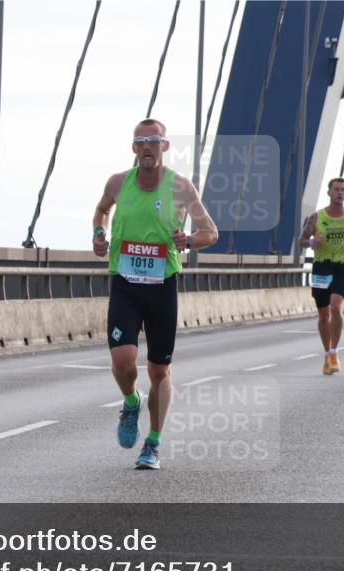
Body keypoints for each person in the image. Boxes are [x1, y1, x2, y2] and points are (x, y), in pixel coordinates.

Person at [92, 119, 218, 469]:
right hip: (125, 283)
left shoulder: (179, 186)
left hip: (162, 286)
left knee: (159, 371)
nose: (147, 147)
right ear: (134, 148)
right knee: (123, 360)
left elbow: (211, 231)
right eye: (141, 141)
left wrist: (190, 241)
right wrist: (98, 235)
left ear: (164, 146)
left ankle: (153, 443)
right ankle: (131, 401)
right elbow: (102, 211)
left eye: (154, 141)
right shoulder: (118, 183)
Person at [298, 177, 344, 374]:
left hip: (342, 266)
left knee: (336, 306)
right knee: (324, 314)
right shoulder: (316, 218)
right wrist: (312, 243)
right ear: (329, 193)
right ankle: (327, 354)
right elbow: (301, 241)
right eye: (336, 189)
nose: (340, 193)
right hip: (322, 267)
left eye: (343, 190)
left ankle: (334, 353)